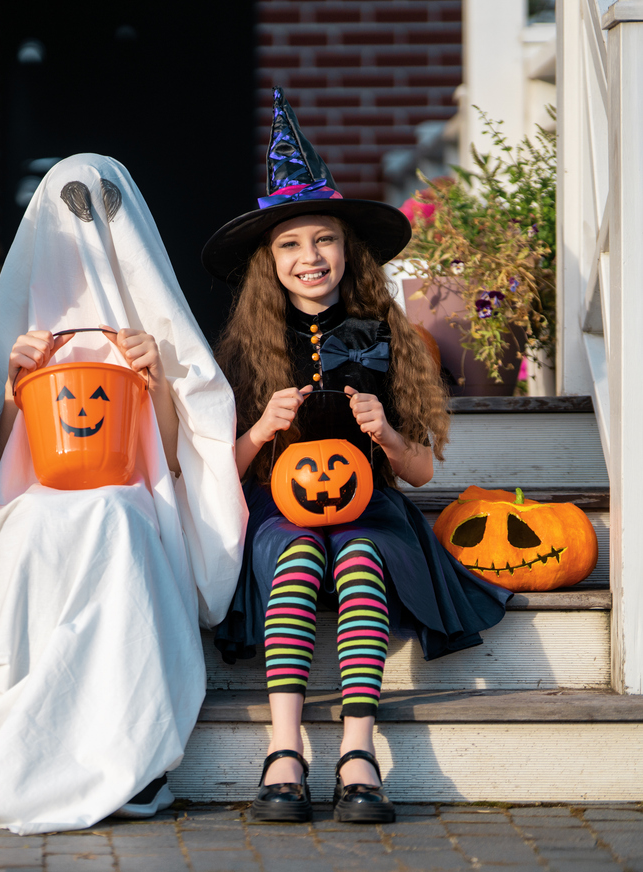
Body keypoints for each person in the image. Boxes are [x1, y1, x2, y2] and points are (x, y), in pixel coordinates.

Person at [202, 90, 512, 824]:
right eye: (290, 245)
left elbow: (422, 473)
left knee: (361, 555)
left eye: (324, 240)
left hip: (373, 506)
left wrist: (389, 435)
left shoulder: (388, 335)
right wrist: (257, 431)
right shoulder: (244, 351)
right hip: (279, 509)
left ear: (349, 249)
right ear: (268, 262)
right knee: (300, 554)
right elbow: (219, 469)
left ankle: (359, 748)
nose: (310, 258)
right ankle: (284, 749)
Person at [0, 154, 246, 834]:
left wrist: (160, 379)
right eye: (72, 211)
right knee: (36, 533)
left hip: (133, 493)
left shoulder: (148, 330)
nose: (91, 231)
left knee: (115, 518)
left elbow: (175, 459)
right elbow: (0, 469)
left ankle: (125, 742)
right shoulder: (31, 331)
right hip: (42, 495)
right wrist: (11, 389)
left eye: (105, 210)